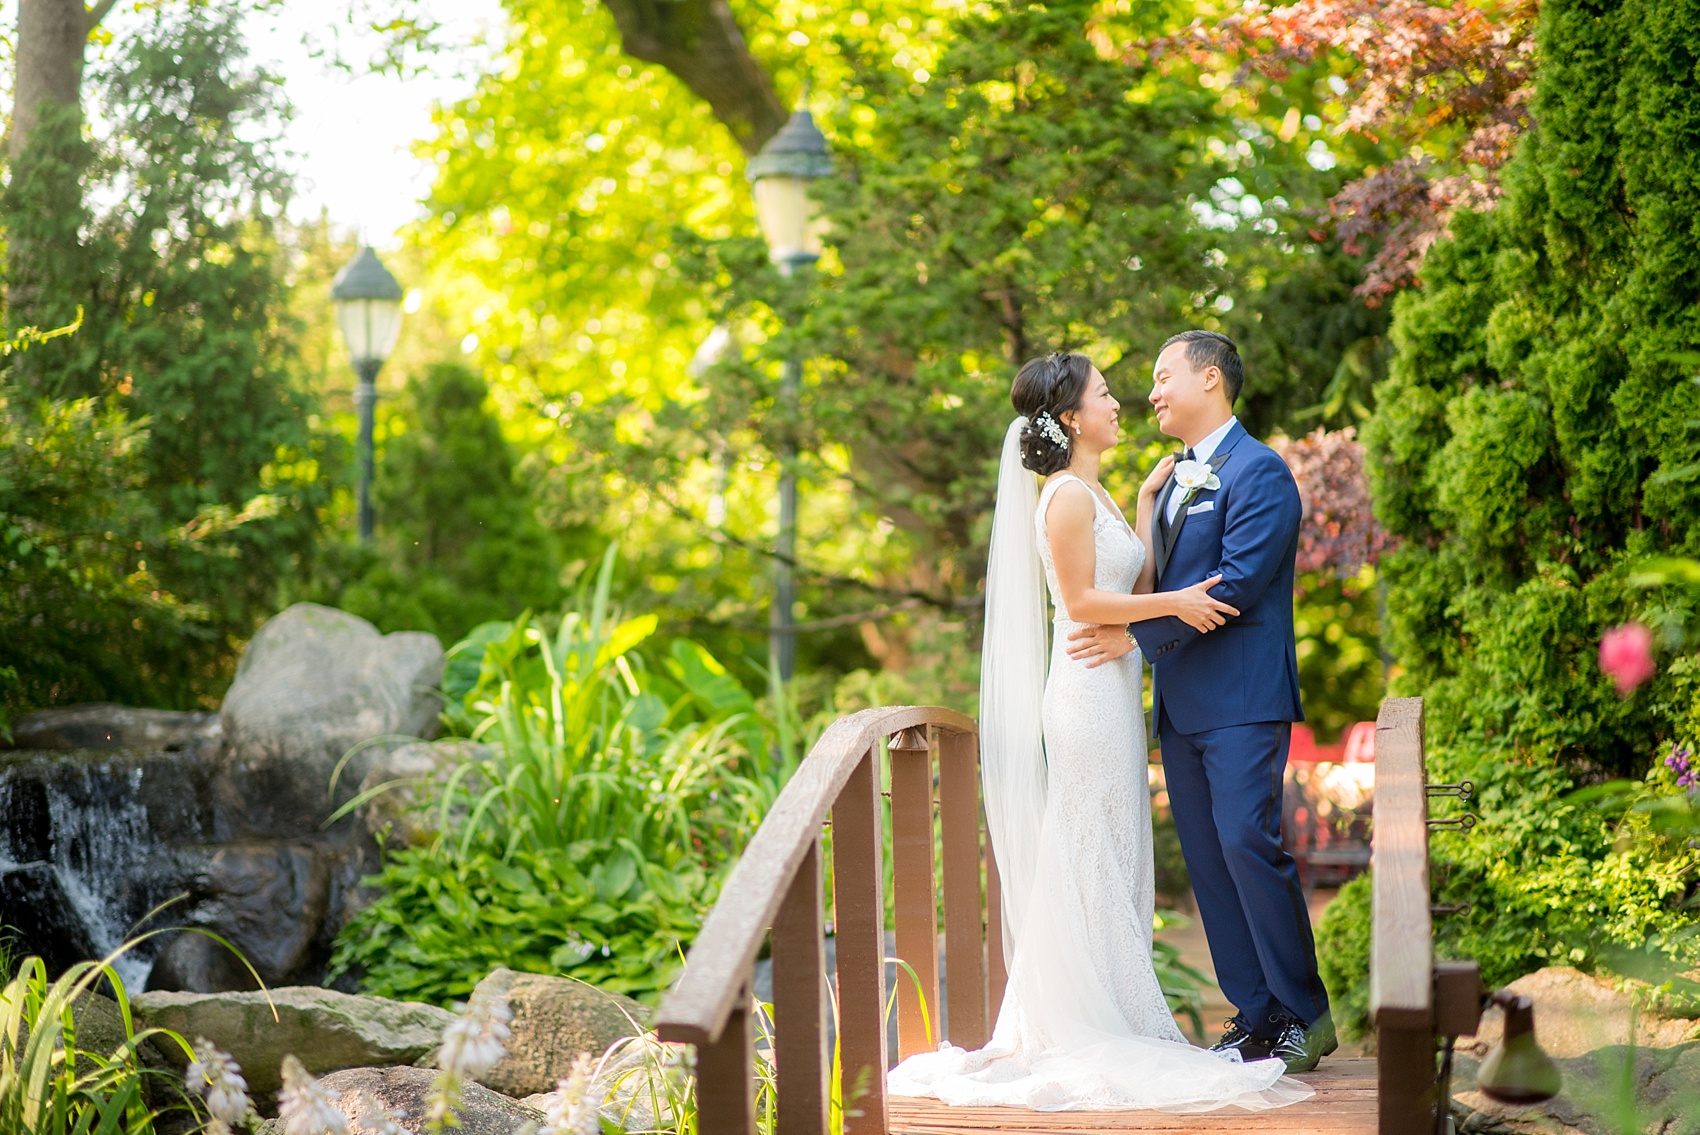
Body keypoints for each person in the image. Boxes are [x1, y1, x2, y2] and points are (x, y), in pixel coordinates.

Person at [886, 350, 1311, 1112]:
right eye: (1108, 392)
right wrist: (1164, 613)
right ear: (1072, 416)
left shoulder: (1114, 491)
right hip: (1085, 691)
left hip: (1127, 692)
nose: (1127, 400)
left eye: (1143, 382)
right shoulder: (1065, 497)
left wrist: (1148, 506)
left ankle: (1147, 1008)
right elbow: (1084, 603)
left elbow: (1140, 583)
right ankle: (1088, 1016)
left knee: (1117, 847)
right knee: (1086, 841)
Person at [1067, 330, 1337, 1072]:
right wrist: (1148, 508)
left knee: (1251, 843)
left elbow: (1237, 581)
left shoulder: (1261, 471)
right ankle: (1253, 1014)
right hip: (1181, 704)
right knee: (1211, 860)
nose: (1150, 392)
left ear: (1210, 378)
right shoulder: (1172, 476)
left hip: (1244, 695)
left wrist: (1134, 636)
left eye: (1162, 376)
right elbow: (1152, 579)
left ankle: (1305, 1017)